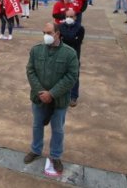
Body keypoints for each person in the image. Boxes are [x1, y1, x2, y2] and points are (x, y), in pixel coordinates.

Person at [23, 22, 79, 174]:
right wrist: (41, 91)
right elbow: (30, 71)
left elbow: (71, 76)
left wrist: (52, 93)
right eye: (44, 32)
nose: (45, 36)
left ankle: (55, 156)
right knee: (37, 126)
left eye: (49, 32)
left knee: (58, 129)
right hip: (38, 98)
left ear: (57, 33)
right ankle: (35, 150)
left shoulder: (69, 53)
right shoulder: (36, 50)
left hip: (59, 101)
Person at [59, 9, 84, 107]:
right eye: (67, 16)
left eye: (71, 16)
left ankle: (73, 97)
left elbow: (77, 42)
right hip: (62, 55)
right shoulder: (60, 27)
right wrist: (72, 38)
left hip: (74, 56)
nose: (69, 19)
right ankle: (61, 94)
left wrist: (65, 38)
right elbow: (67, 39)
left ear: (75, 17)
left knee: (74, 76)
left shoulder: (80, 28)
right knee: (61, 75)